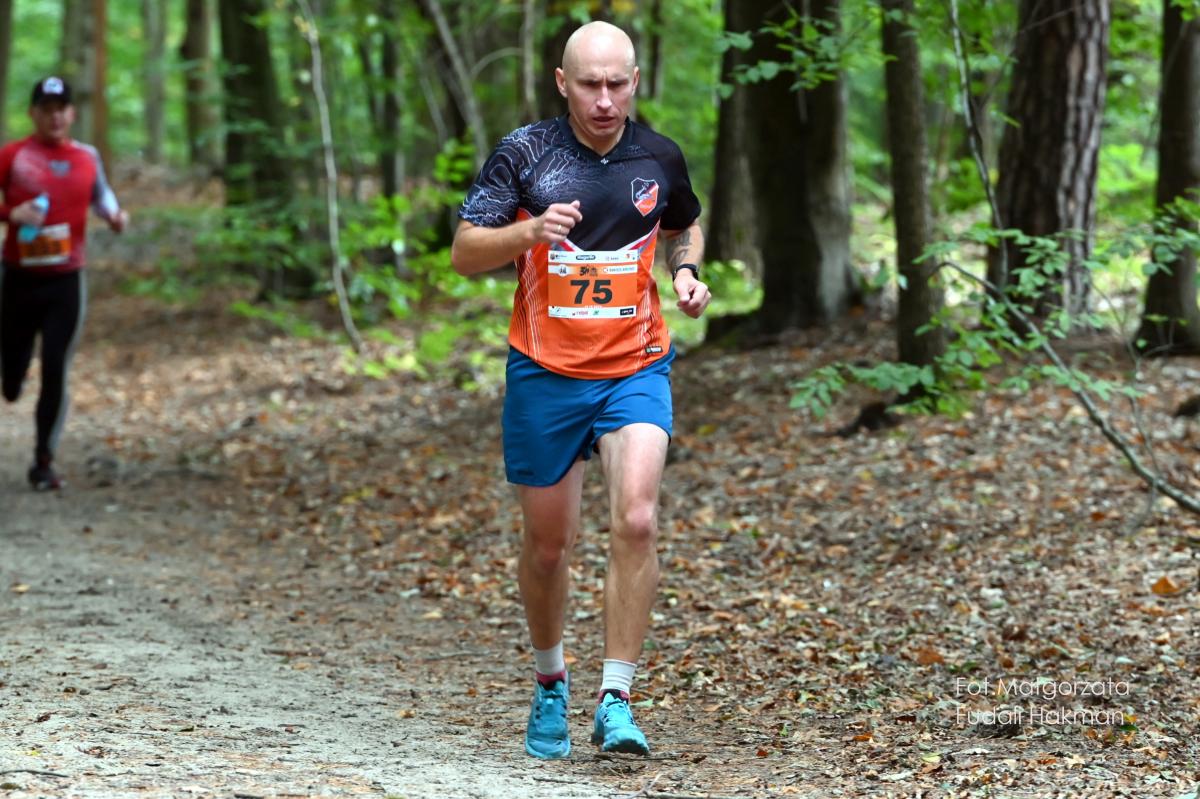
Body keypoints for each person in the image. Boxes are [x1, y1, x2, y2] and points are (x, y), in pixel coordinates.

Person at [451, 21, 710, 759]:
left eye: (617, 84)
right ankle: (549, 681)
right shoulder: (525, 153)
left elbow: (685, 225)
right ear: (563, 83)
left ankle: (616, 698)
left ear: (635, 82)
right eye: (590, 84)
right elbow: (465, 252)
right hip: (545, 371)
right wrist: (528, 233)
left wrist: (685, 274)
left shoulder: (657, 155)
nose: (604, 100)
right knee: (547, 547)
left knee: (638, 518)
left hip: (634, 366)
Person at [0, 76, 128, 490]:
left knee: (56, 367)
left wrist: (114, 215)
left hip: (66, 281)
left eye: (61, 109)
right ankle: (12, 375)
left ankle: (43, 461)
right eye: (46, 109)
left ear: (72, 114)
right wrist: (11, 214)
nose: (54, 117)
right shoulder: (13, 156)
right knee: (12, 371)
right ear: (33, 113)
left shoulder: (86, 157)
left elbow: (101, 195)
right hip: (17, 279)